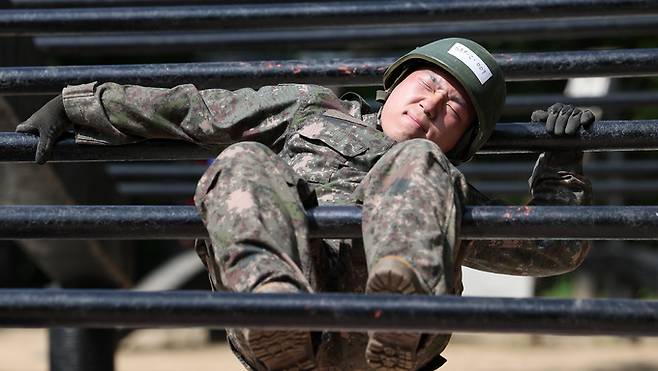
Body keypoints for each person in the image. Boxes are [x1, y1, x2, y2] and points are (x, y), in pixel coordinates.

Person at [17, 38, 593, 371]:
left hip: (390, 348)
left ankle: (402, 304)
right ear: (393, 85)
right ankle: (271, 302)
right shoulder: (311, 109)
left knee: (414, 162)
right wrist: (80, 106)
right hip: (288, 331)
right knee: (243, 159)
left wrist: (565, 165)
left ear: (460, 142)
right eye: (427, 84)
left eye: (453, 110)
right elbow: (195, 110)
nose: (431, 105)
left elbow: (553, 249)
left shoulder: (441, 189)